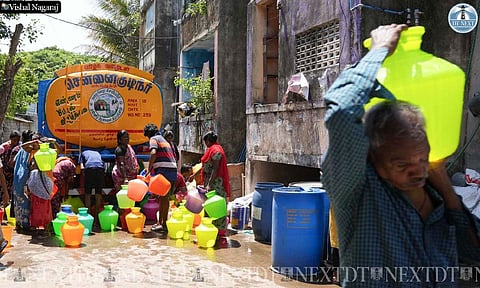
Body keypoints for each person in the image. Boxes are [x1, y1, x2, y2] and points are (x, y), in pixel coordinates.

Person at [322, 24, 480, 286]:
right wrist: (379, 50)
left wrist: (443, 184)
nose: (416, 170)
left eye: (421, 158)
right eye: (401, 163)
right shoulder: (360, 193)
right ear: (375, 157)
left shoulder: (438, 196)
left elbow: (473, 255)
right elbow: (341, 112)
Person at [143, 123, 177, 232]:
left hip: (164, 171)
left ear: (148, 134)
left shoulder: (154, 139)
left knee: (162, 198)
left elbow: (153, 153)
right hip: (172, 170)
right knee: (164, 198)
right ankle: (163, 223)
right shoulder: (163, 139)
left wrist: (149, 167)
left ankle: (162, 224)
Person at [201, 131, 230, 238]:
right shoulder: (212, 149)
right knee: (209, 204)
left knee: (216, 205)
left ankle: (219, 230)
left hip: (216, 183)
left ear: (208, 141)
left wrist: (209, 184)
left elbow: (215, 168)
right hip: (211, 181)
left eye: (205, 142)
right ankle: (209, 228)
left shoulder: (216, 151)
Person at [12, 130, 36, 233]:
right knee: (26, 201)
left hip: (17, 178)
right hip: (25, 178)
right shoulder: (29, 150)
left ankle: (19, 223)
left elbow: (12, 162)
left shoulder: (21, 150)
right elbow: (31, 165)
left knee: (18, 200)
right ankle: (26, 225)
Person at [78, 149, 105, 228]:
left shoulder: (82, 153)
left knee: (88, 195)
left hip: (89, 169)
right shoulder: (97, 152)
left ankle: (88, 221)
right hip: (100, 169)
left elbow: (82, 167)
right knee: (98, 194)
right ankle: (96, 222)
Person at [0, 130, 21, 205]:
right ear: (10, 139)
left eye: (18, 140)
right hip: (3, 174)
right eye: (14, 140)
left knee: (10, 194)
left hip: (12, 175)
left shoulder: (19, 147)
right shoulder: (4, 147)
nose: (16, 142)